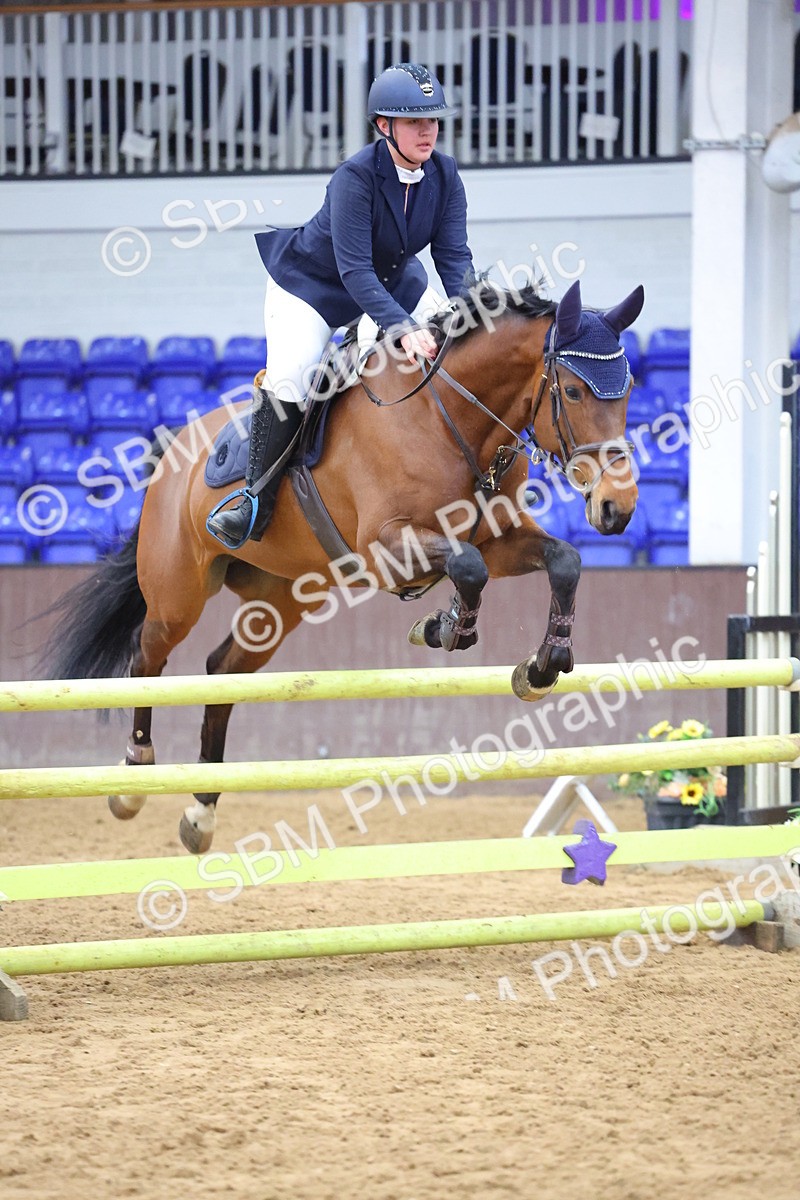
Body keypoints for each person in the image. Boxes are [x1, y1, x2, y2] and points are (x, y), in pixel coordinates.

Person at [207, 61, 475, 549]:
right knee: (293, 377)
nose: (427, 131)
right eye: (414, 121)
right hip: (313, 287)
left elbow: (453, 257)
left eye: (433, 120)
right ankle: (253, 499)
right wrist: (401, 326)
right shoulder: (355, 176)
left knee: (451, 340)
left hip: (391, 280)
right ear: (383, 126)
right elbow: (353, 271)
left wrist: (473, 310)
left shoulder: (446, 174)